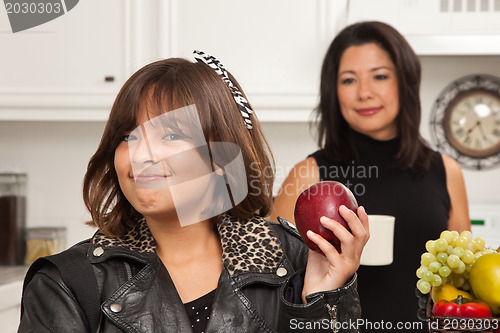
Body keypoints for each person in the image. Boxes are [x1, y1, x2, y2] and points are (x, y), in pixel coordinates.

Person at [18, 51, 369, 332]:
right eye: (128, 136)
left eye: (170, 135)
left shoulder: (293, 260)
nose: (142, 155)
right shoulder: (66, 282)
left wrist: (324, 299)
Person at [271, 21, 471, 331]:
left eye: (379, 76)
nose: (365, 93)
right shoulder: (309, 175)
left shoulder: (446, 172)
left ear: (404, 82)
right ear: (333, 91)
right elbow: (273, 290)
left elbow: (464, 284)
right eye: (349, 80)